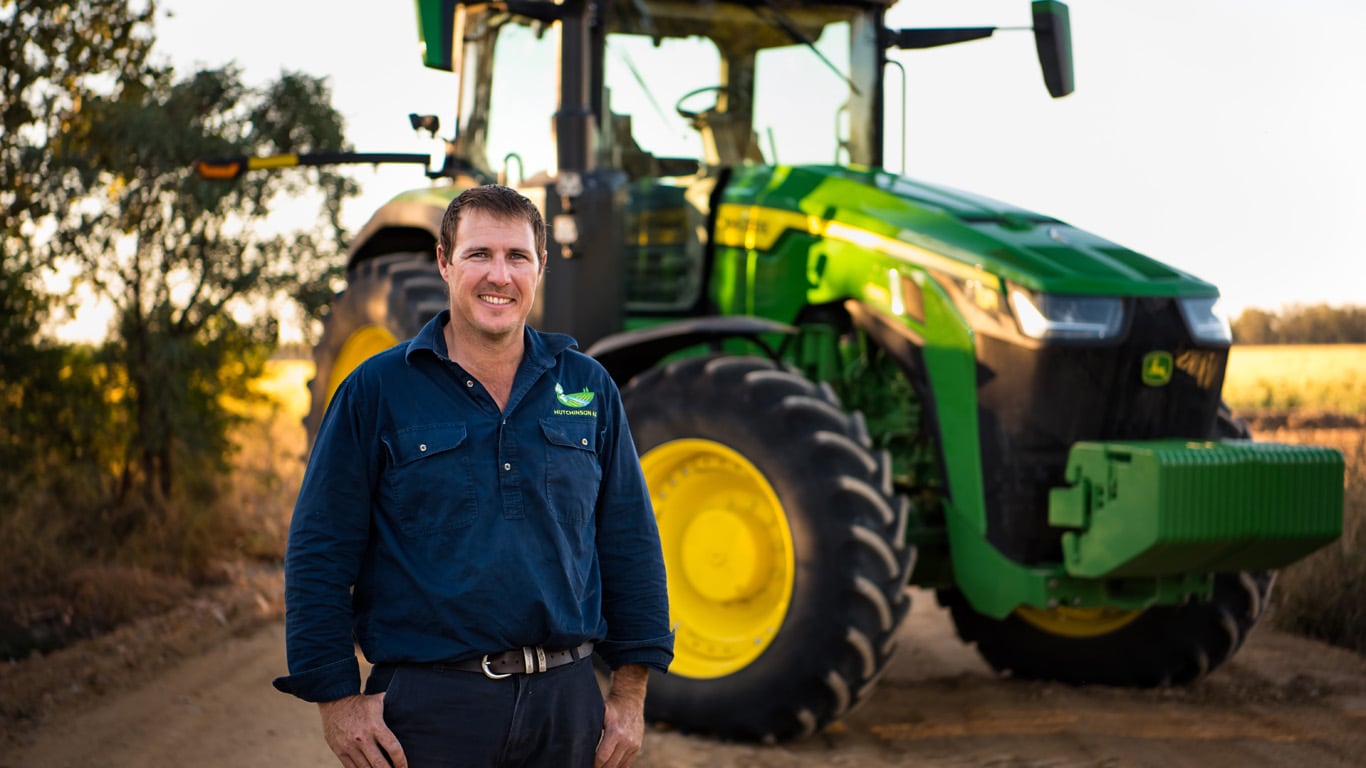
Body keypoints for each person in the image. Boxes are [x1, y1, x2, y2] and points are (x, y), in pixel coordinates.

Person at [273, 184, 673, 768]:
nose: (499, 276)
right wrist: (337, 700)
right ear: (444, 262)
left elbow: (630, 544)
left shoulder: (588, 388)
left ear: (541, 265)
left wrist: (630, 693)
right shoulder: (376, 390)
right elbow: (318, 549)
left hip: (566, 710)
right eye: (478, 254)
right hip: (427, 714)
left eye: (516, 257)